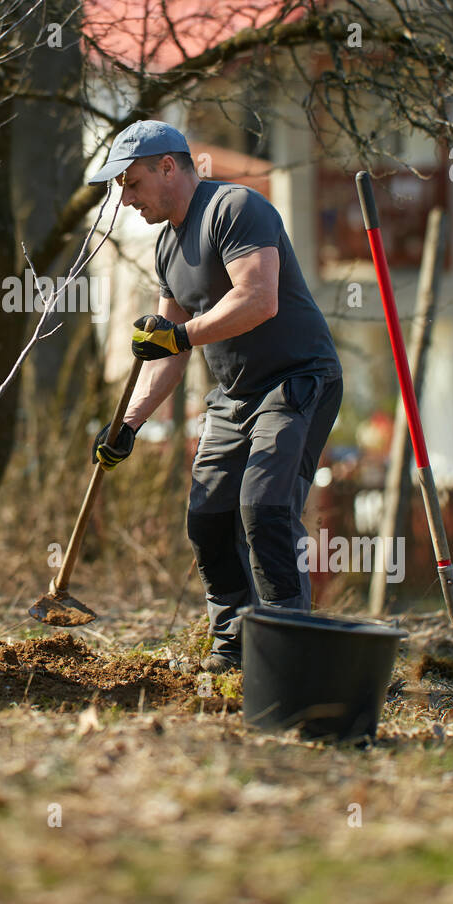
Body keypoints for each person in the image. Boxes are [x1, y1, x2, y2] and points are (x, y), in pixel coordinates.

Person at [89, 120, 343, 672]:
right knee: (207, 517)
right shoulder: (165, 248)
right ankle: (232, 650)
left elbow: (258, 298)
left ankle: (287, 652)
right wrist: (126, 425)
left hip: (296, 380)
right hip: (235, 396)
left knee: (265, 506)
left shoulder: (235, 208)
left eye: (131, 184)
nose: (126, 199)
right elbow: (168, 353)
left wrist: (178, 334)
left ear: (167, 167)